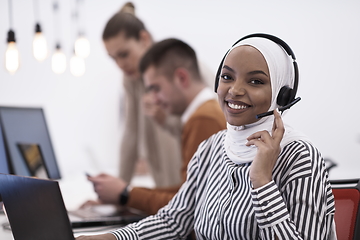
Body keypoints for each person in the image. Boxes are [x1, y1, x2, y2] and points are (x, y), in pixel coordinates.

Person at [77, 34, 336, 240]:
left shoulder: (300, 156)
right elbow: (173, 221)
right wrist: (109, 237)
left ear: (282, 94)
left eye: (255, 82)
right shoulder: (212, 148)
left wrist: (262, 183)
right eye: (227, 77)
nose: (235, 90)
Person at [87, 38, 226, 215]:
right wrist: (126, 192)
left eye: (156, 88)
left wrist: (125, 194)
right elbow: (187, 193)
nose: (154, 99)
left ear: (181, 78)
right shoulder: (201, 115)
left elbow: (189, 209)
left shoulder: (203, 119)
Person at [101, 2, 182, 187]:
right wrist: (119, 191)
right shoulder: (131, 79)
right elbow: (130, 133)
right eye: (113, 58)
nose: (119, 64)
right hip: (166, 195)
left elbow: (203, 127)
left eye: (123, 54)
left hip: (188, 193)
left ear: (144, 39)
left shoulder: (176, 68)